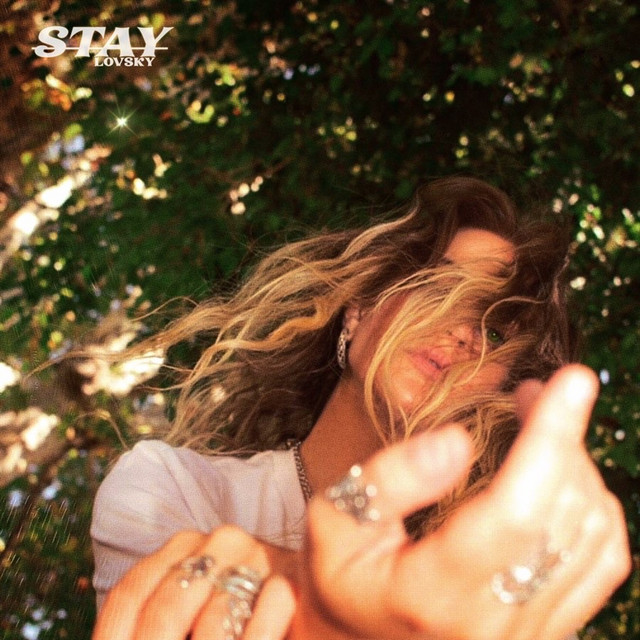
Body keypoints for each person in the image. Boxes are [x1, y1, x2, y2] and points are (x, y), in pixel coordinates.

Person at [90, 176, 631, 640]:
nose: (465, 332)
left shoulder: (491, 595)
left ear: (499, 388)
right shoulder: (169, 488)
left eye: (495, 331)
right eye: (443, 285)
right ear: (360, 307)